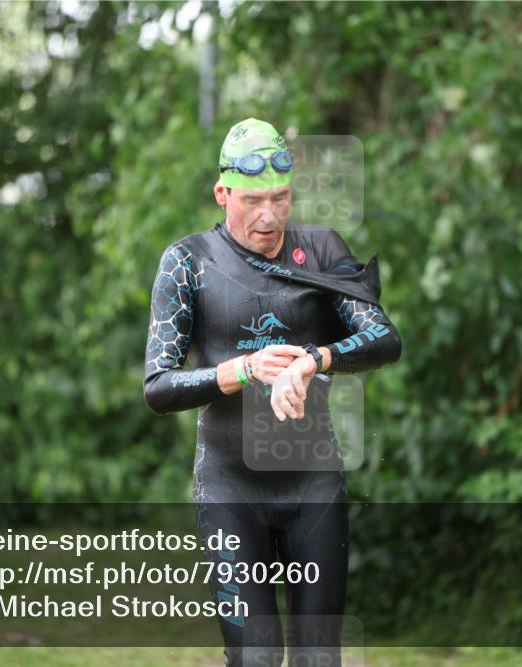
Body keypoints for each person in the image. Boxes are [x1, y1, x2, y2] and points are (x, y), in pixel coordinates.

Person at [143, 119, 401, 666]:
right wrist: (243, 370)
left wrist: (315, 359)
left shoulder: (322, 249)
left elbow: (384, 338)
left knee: (318, 659)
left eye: (280, 198)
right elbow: (158, 385)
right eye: (253, 200)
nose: (268, 215)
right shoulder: (188, 262)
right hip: (229, 488)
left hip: (313, 483)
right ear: (222, 194)